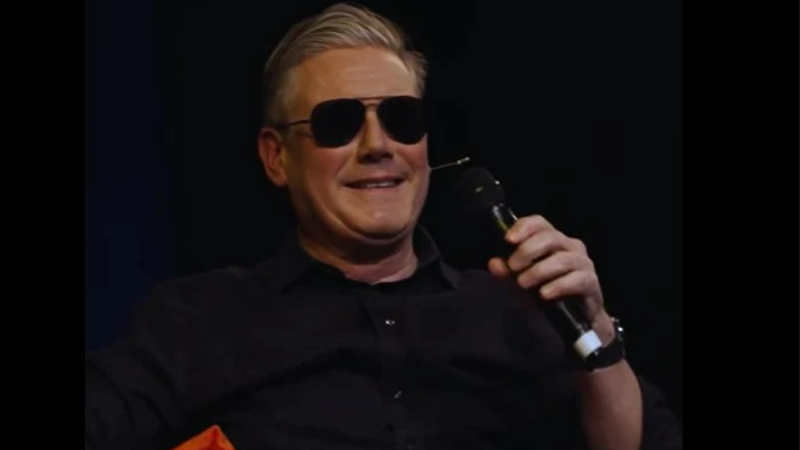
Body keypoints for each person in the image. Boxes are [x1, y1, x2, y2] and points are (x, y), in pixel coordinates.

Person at [85, 3, 682, 450]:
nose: (378, 145)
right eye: (338, 122)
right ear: (276, 157)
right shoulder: (199, 319)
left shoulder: (519, 311)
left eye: (401, 117)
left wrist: (594, 331)